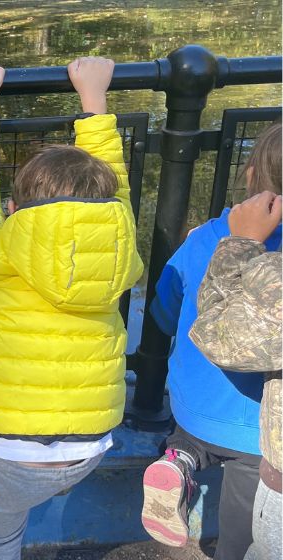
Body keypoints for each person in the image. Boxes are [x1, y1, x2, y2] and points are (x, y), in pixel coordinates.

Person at [0, 57, 143, 560]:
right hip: (91, 443)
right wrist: (94, 100)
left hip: (11, 448)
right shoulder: (118, 243)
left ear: (11, 210)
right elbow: (111, 187)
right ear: (111, 208)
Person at [142, 123, 281, 558]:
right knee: (244, 527)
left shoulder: (204, 237)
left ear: (251, 175)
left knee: (194, 435)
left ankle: (179, 460)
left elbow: (164, 312)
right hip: (258, 438)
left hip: (193, 407)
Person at [189, 189, 282, 560]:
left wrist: (239, 244)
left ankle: (181, 456)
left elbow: (212, 333)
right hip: (246, 438)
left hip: (214, 420)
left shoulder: (207, 237)